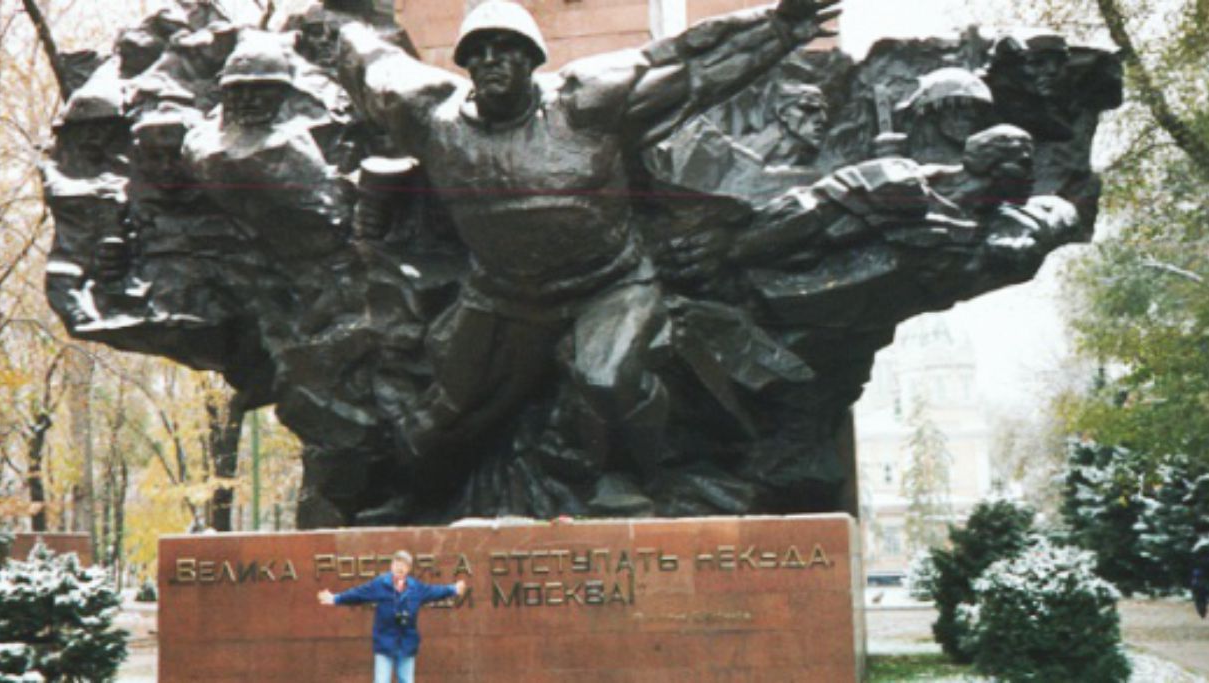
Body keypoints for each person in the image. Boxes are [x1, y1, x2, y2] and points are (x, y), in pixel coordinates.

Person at [335, 0, 839, 505]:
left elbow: (688, 65)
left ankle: (633, 476)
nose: (490, 59)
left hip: (610, 283)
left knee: (607, 377)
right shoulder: (431, 118)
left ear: (532, 58)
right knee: (437, 423)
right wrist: (343, 32)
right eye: (478, 52)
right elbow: (372, 68)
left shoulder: (587, 103)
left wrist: (777, 26)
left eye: (506, 49)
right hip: (505, 295)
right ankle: (419, 506)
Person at [317, 551, 468, 683]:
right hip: (385, 643)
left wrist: (453, 589)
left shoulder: (416, 588)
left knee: (406, 681)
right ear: (391, 566)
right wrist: (336, 598)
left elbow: (434, 591)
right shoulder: (380, 584)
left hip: (407, 644)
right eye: (397, 564)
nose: (399, 568)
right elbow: (358, 594)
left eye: (404, 565)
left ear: (408, 569)